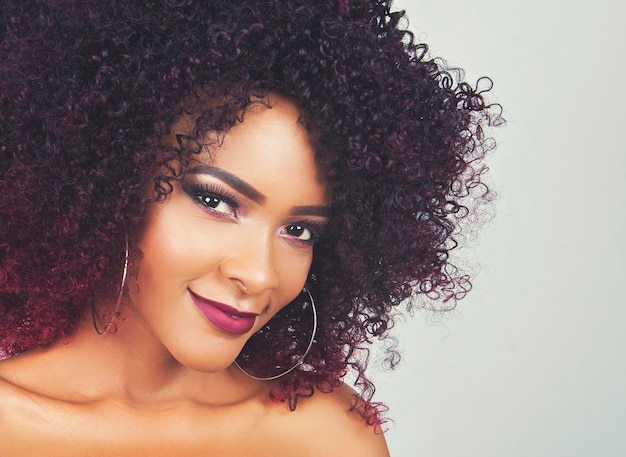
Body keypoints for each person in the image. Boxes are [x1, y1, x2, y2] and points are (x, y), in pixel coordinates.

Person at [0, 0, 498, 455]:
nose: (259, 275)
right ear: (108, 182)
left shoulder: (326, 437)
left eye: (300, 231)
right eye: (216, 201)